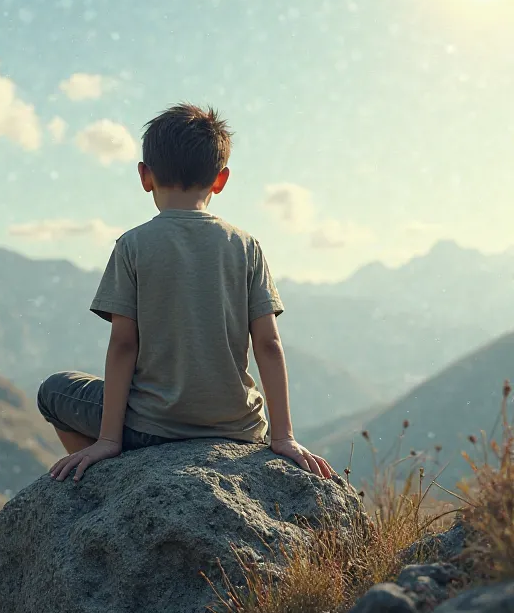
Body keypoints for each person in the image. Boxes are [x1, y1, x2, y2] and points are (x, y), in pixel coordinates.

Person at [39, 102, 334, 484]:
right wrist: (284, 437)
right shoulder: (246, 246)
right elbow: (268, 345)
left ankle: (107, 483)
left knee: (54, 391)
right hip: (239, 429)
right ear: (220, 179)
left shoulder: (133, 246)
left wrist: (109, 438)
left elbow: (124, 345)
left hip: (152, 430)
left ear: (145, 176)